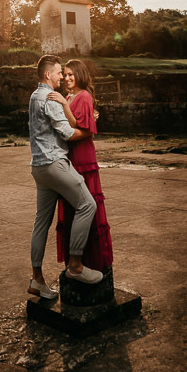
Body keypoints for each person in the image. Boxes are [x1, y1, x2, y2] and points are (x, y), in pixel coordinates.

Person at [28, 54, 104, 299]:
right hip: (54, 164)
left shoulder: (33, 96)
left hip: (38, 167)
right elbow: (69, 133)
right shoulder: (50, 98)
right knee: (87, 205)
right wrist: (90, 127)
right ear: (49, 74)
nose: (62, 77)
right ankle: (75, 266)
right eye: (60, 73)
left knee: (41, 222)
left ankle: (37, 278)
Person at [49, 59, 113, 273]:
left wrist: (65, 105)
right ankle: (75, 259)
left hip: (83, 157)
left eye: (71, 74)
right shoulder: (69, 96)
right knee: (73, 209)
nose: (67, 78)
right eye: (65, 75)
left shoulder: (83, 96)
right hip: (71, 157)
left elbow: (80, 126)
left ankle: (92, 260)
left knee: (86, 206)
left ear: (80, 75)